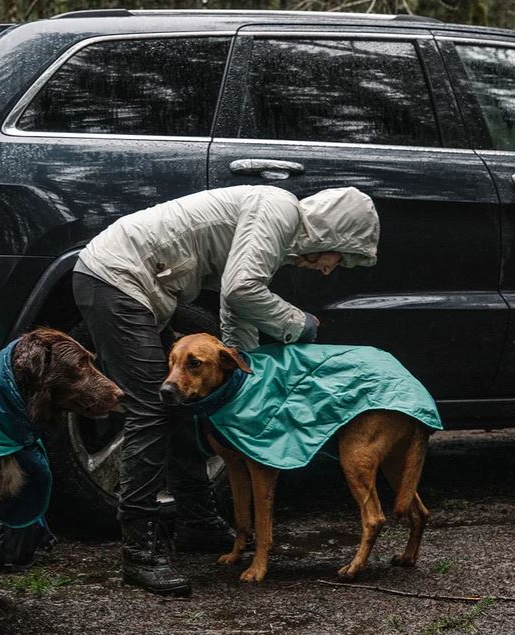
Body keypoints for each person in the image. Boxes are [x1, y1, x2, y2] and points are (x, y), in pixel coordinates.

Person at [72, 185, 380, 596]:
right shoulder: (279, 209)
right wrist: (298, 323)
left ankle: (197, 522)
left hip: (138, 286)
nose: (328, 269)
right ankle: (140, 552)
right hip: (115, 278)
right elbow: (241, 290)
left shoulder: (279, 230)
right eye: (338, 258)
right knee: (151, 408)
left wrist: (251, 373)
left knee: (183, 402)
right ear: (332, 233)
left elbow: (235, 307)